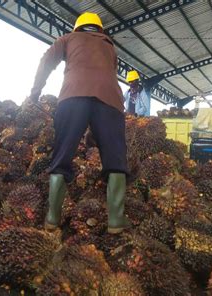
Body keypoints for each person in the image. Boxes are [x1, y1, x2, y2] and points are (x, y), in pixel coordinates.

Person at [29, 12, 130, 234]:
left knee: (62, 155)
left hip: (72, 97)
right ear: (99, 29)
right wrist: (95, 133)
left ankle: (52, 218)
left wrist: (35, 93)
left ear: (78, 28)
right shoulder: (109, 47)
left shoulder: (67, 39)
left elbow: (46, 61)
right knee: (115, 159)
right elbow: (104, 80)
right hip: (110, 101)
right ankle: (116, 220)